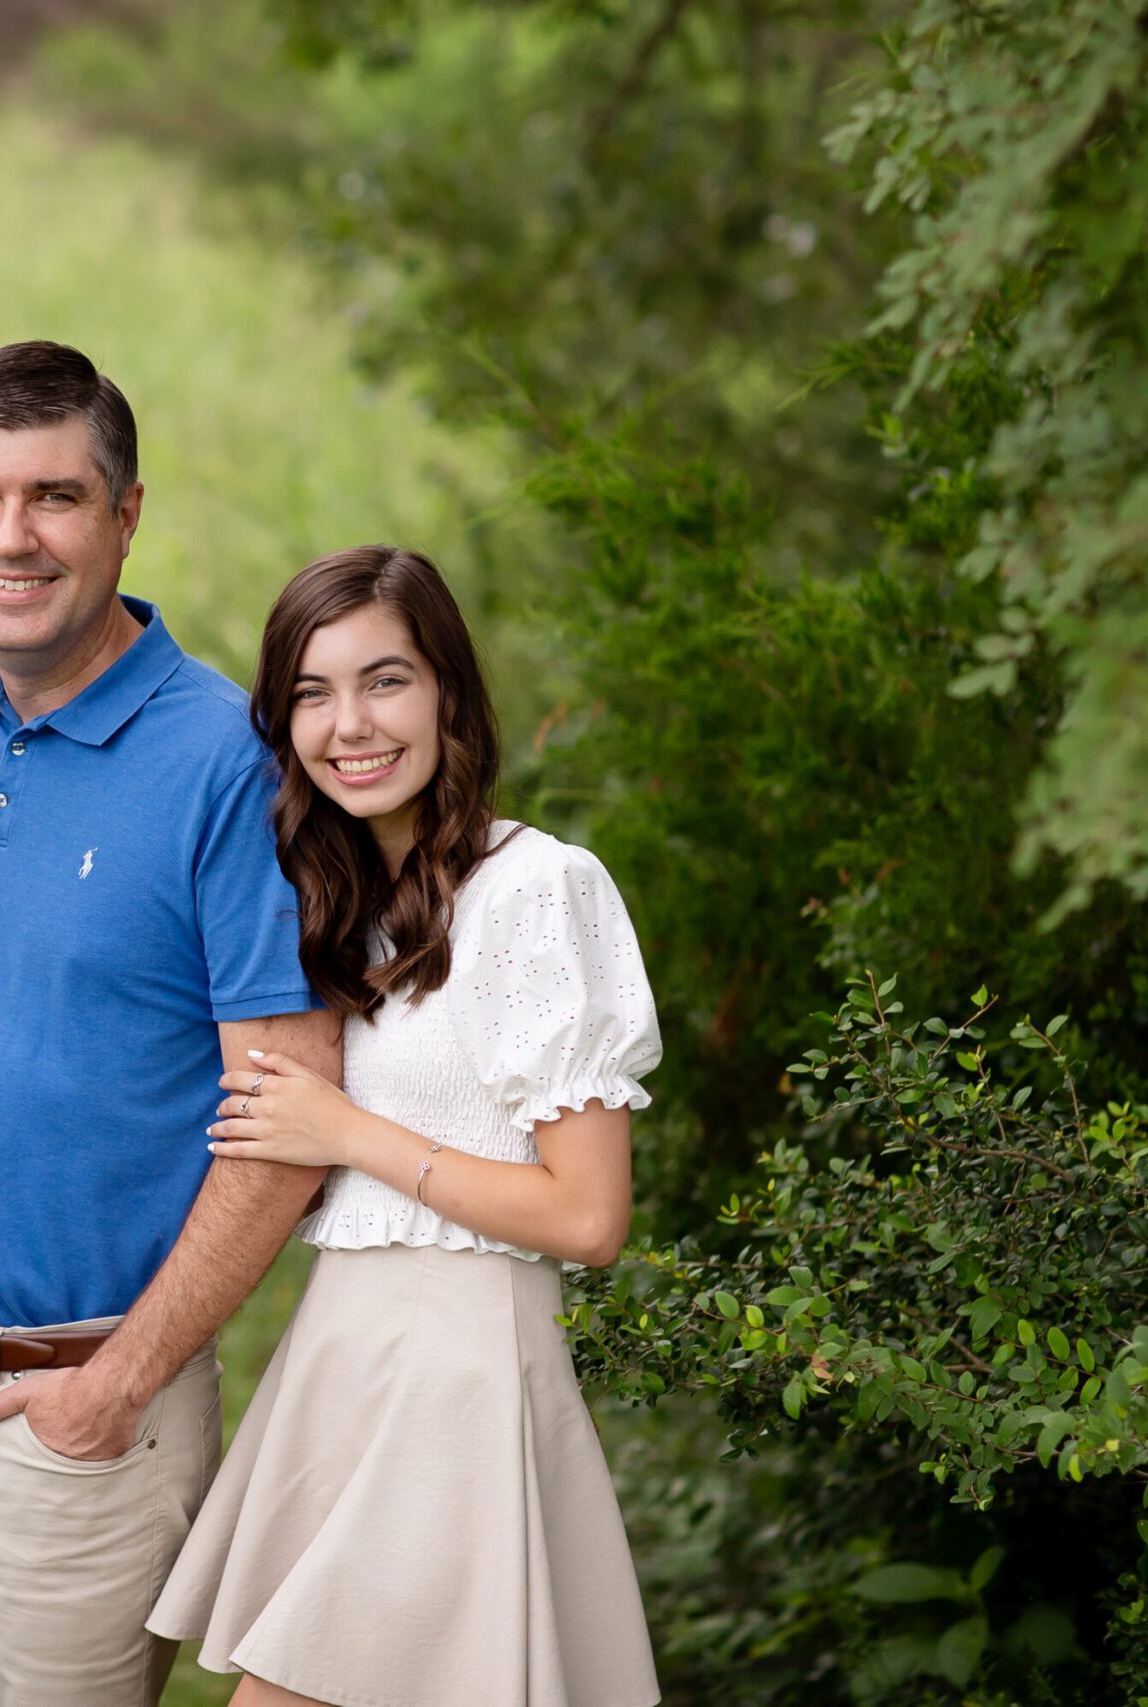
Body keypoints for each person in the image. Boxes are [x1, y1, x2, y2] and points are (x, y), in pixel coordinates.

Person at [0, 340, 341, 1707]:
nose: (12, 535)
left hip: (78, 1417)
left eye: (56, 496)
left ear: (126, 514)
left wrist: (117, 1384)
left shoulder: (228, 764)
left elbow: (283, 1124)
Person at [148, 545, 664, 1707]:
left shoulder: (535, 889)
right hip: (349, 1358)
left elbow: (586, 1217)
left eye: (385, 680)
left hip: (457, 1375)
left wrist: (344, 1130)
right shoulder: (338, 906)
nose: (350, 725)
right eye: (312, 695)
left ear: (448, 695)